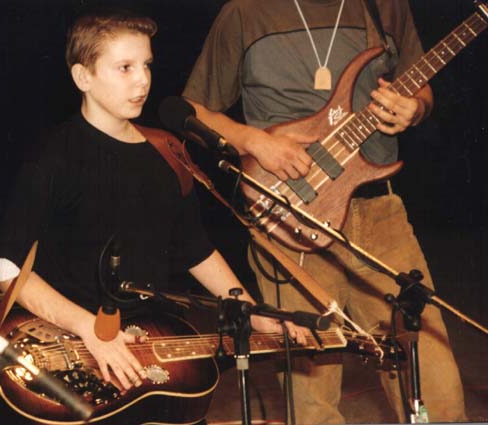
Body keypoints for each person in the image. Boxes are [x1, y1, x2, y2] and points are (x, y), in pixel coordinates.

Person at [0, 10, 291, 424]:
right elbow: (8, 270)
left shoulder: (164, 154)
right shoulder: (53, 157)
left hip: (147, 342)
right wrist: (89, 329)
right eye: (125, 68)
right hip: (69, 347)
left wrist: (252, 311)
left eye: (146, 65)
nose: (143, 81)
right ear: (83, 77)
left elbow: (196, 249)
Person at [182, 0, 466, 423]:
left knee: (434, 380)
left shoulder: (386, 6)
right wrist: (254, 141)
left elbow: (418, 84)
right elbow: (193, 110)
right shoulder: (245, 12)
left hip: (379, 210)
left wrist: (416, 107)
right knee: (310, 401)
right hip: (290, 216)